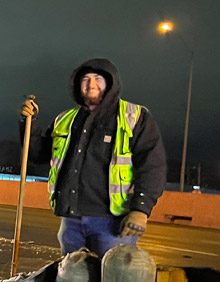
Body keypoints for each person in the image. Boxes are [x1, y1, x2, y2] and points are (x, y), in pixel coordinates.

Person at [20, 58, 167, 257]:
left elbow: (152, 166)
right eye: (85, 79)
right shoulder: (65, 119)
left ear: (110, 83)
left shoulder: (134, 117)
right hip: (72, 221)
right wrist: (28, 123)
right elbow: (38, 154)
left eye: (98, 78)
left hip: (113, 223)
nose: (91, 84)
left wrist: (140, 210)